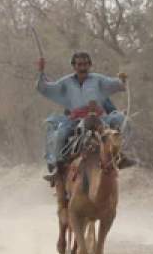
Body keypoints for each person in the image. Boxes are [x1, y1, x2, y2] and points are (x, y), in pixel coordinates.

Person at [36, 52, 133, 183]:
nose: (83, 67)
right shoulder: (66, 82)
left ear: (90, 65)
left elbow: (117, 84)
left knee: (122, 121)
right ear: (74, 66)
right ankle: (58, 169)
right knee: (60, 135)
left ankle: (121, 156)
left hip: (99, 118)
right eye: (79, 64)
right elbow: (45, 88)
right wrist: (41, 71)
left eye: (86, 64)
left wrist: (123, 79)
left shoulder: (98, 79)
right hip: (75, 120)